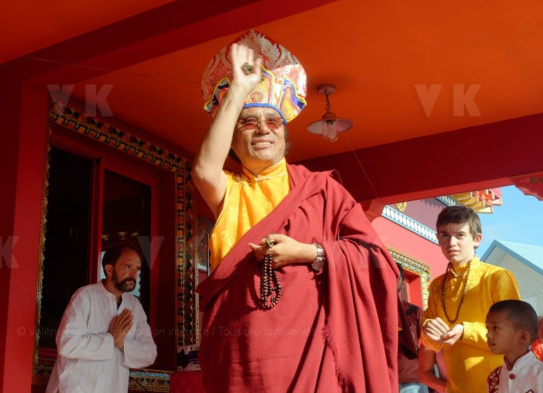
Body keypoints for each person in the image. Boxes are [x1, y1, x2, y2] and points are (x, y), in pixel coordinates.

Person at [193, 31, 400, 391]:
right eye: (248, 122)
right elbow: (204, 170)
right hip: (239, 358)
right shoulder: (232, 190)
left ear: (285, 136)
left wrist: (308, 252)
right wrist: (238, 91)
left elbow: (377, 260)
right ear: (232, 138)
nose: (262, 130)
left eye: (273, 122)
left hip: (310, 356)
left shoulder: (320, 190)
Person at [422, 205, 521, 393]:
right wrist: (428, 330)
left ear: (477, 239)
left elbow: (513, 333)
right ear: (438, 238)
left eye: (460, 235)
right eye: (445, 235)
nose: (451, 242)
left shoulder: (497, 277)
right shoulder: (437, 285)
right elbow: (431, 343)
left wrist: (465, 331)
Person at [46, 244, 157, 393]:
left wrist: (121, 343)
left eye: (137, 269)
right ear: (109, 270)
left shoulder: (134, 306)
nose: (134, 274)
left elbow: (149, 354)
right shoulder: (85, 296)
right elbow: (67, 343)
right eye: (128, 266)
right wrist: (111, 339)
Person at [485, 299, 543, 392]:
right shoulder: (494, 378)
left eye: (495, 328)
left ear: (523, 337)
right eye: (488, 328)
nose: (488, 335)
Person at [398, 263, 428, 393]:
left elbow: (431, 345)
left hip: (412, 380)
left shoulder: (415, 311)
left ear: (402, 283)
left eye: (395, 276)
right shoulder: (371, 312)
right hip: (381, 378)